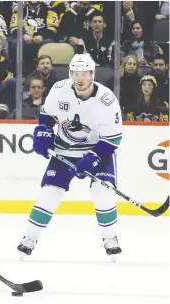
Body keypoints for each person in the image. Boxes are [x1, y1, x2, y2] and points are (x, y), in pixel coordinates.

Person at [17, 50, 124, 261]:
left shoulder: (106, 100)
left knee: (102, 193)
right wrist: (44, 131)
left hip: (97, 150)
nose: (80, 78)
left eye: (85, 73)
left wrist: (92, 158)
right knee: (49, 193)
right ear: (70, 73)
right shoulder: (59, 90)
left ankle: (110, 238)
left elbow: (113, 139)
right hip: (64, 148)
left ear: (92, 74)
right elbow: (47, 116)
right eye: (76, 73)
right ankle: (29, 238)